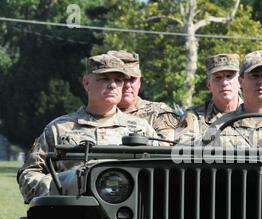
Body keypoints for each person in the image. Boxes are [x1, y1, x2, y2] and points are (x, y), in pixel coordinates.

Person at [17, 54, 159, 203]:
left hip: (130, 213)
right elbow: (29, 172)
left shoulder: (141, 129)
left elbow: (163, 168)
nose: (112, 85)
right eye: (104, 79)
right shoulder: (59, 128)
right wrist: (53, 188)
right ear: (86, 83)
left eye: (118, 80)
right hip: (75, 212)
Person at [107, 50, 181, 141]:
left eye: (132, 79)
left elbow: (165, 150)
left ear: (139, 82)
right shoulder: (93, 115)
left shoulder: (158, 113)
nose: (127, 85)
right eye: (120, 79)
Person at [181, 53, 242, 143]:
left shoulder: (254, 113)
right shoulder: (194, 116)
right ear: (209, 84)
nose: (224, 82)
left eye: (229, 76)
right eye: (218, 77)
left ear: (240, 81)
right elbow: (182, 150)